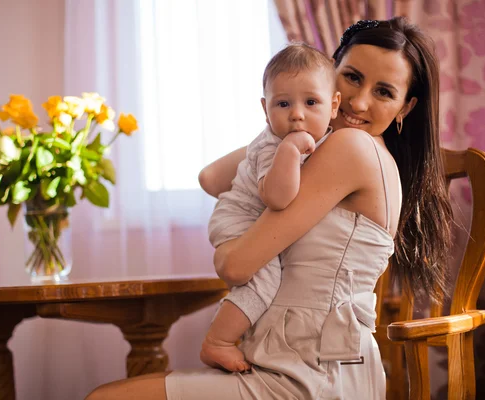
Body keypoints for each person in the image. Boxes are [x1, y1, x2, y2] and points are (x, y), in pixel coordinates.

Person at [85, 16, 453, 400]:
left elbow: (235, 265)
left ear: (405, 108)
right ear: (331, 80)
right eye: (352, 77)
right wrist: (293, 130)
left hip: (314, 376)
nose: (359, 102)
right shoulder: (327, 147)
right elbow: (212, 177)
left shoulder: (352, 148)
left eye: (383, 92)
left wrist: (230, 246)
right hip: (294, 363)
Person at [200, 42, 341, 373]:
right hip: (239, 219)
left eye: (311, 102)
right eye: (283, 103)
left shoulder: (330, 141)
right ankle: (217, 341)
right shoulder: (272, 146)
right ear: (266, 110)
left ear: (334, 105)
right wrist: (290, 152)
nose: (297, 113)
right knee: (262, 282)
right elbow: (278, 199)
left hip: (249, 221)